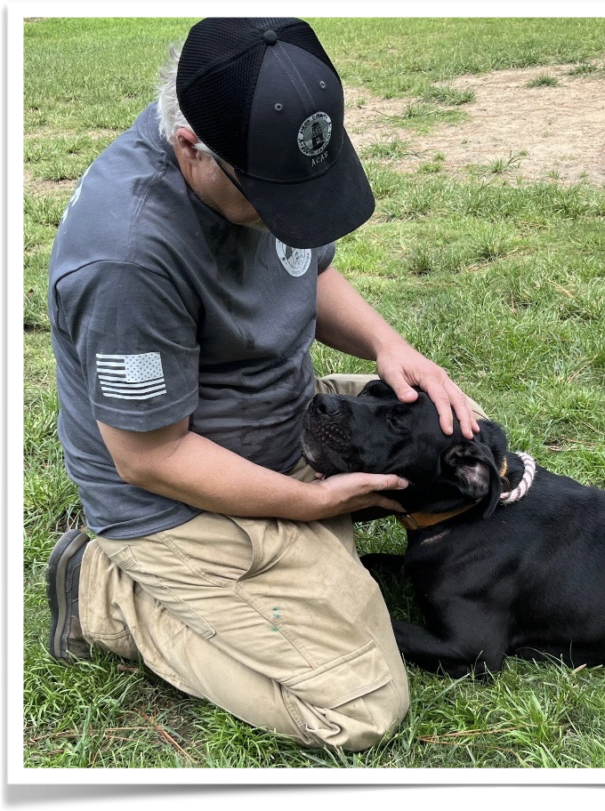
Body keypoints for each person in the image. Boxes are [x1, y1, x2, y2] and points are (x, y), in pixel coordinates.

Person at [44, 17, 483, 751]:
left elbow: (312, 267)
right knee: (362, 705)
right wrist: (311, 504)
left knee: (459, 437)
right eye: (275, 200)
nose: (292, 216)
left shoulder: (248, 140)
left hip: (279, 413)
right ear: (191, 149)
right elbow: (148, 457)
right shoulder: (125, 254)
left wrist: (389, 346)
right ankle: (107, 594)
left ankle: (318, 559)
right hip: (176, 491)